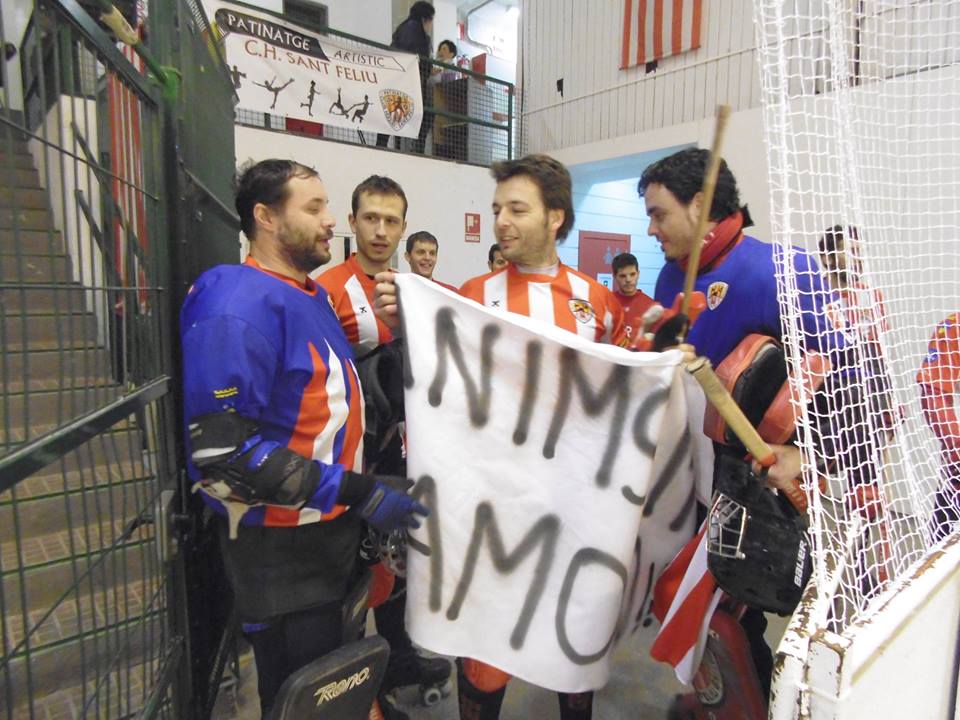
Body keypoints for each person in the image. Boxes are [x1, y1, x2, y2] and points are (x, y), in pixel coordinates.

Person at [374, 154, 625, 720]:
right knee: (485, 655)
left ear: (555, 217)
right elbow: (440, 382)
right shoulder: (472, 293)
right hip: (493, 510)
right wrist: (402, 327)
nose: (501, 222)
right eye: (496, 210)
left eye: (517, 209)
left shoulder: (596, 301)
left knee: (572, 642)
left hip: (571, 512)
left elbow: (621, 392)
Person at [179, 159, 427, 717]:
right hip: (283, 552)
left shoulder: (308, 294)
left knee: (340, 676)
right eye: (313, 208)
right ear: (266, 217)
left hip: (329, 535)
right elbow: (224, 459)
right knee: (306, 696)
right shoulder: (235, 305)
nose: (330, 220)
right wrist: (362, 492)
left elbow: (318, 396)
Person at [640, 147, 846, 699]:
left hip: (755, 480)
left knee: (734, 620)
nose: (651, 228)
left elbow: (855, 373)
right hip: (689, 478)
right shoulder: (670, 277)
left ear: (699, 205)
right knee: (691, 613)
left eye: (659, 214)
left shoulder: (782, 269)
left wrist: (808, 455)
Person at [317, 175, 450, 716]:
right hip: (349, 458)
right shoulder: (327, 289)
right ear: (352, 222)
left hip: (405, 450)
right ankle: (357, 689)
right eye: (370, 218)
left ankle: (398, 663)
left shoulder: (418, 289)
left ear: (403, 226)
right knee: (352, 573)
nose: (380, 230)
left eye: (391, 220)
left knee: (399, 560)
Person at [377, 1, 435, 154]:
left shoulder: (404, 28)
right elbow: (417, 57)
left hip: (398, 79)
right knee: (426, 114)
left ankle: (381, 146)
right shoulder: (415, 30)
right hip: (408, 82)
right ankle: (418, 149)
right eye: (431, 20)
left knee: (393, 115)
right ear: (425, 18)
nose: (431, 25)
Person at [610, 252, 655, 345]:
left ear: (638, 274)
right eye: (623, 276)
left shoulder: (651, 306)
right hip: (611, 353)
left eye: (632, 274)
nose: (628, 280)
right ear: (614, 276)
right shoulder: (607, 302)